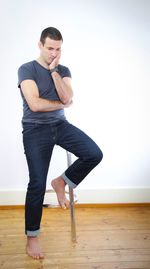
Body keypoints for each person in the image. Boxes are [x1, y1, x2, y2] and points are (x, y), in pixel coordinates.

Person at [18, 27, 103, 259]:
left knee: (94, 154)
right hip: (35, 129)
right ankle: (33, 236)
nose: (53, 53)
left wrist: (55, 72)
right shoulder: (27, 69)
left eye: (58, 49)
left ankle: (61, 182)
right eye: (49, 48)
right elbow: (35, 104)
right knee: (36, 183)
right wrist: (61, 104)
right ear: (40, 45)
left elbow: (67, 97)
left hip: (60, 126)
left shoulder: (63, 69)